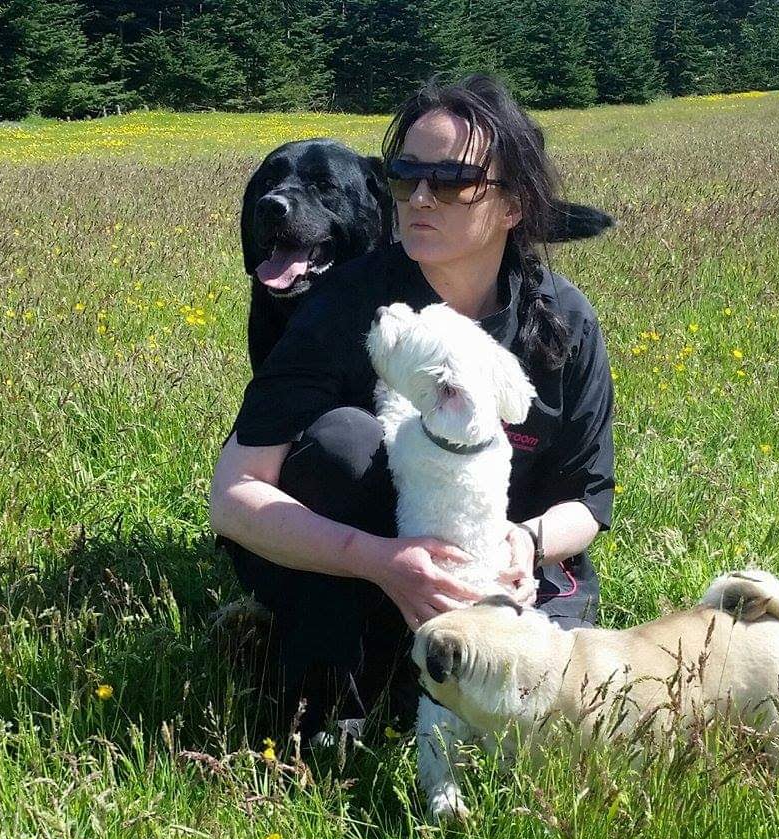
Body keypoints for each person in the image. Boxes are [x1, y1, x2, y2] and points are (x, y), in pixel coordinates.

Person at [210, 74, 615, 745]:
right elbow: (232, 495)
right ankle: (340, 682)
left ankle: (421, 670)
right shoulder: (345, 307)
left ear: (514, 205)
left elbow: (588, 503)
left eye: (451, 180)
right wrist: (378, 559)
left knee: (564, 720)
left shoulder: (565, 322)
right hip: (373, 564)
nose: (421, 197)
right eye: (406, 175)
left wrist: (528, 541)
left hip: (512, 578)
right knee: (344, 439)